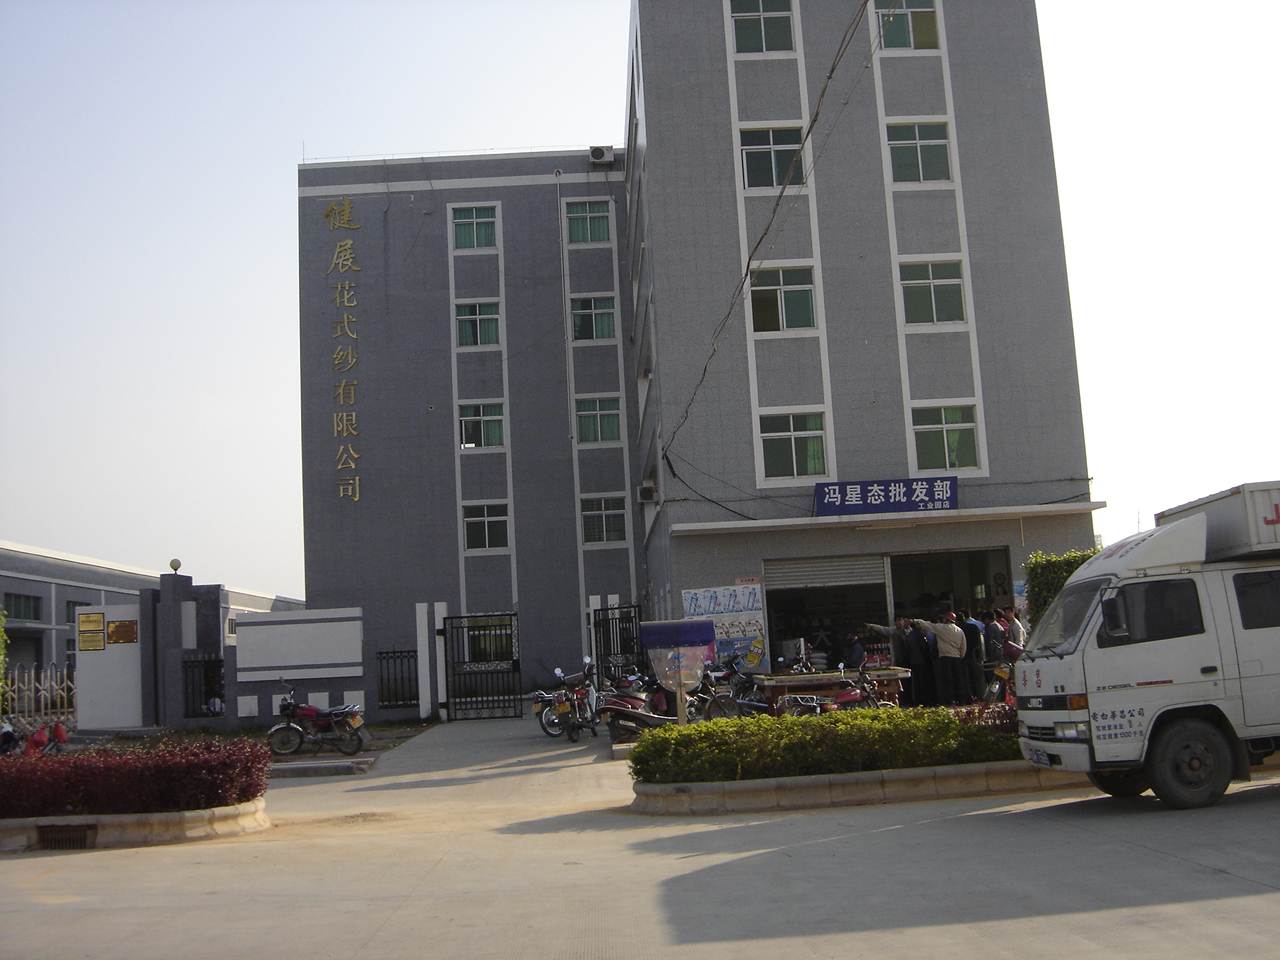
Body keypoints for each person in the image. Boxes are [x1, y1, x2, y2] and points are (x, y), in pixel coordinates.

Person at [915, 613, 969, 706]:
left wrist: (916, 621)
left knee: (947, 680)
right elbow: (963, 646)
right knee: (958, 680)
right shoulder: (960, 630)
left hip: (945, 657)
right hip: (956, 657)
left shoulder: (942, 628)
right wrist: (961, 656)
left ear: (946, 619)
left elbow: (929, 625)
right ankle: (961, 700)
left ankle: (948, 700)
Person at [958, 608, 986, 701]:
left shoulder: (958, 629)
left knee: (966, 679)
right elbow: (979, 642)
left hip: (964, 656)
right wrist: (980, 656)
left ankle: (969, 697)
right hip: (975, 655)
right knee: (978, 678)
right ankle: (981, 696)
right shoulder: (974, 627)